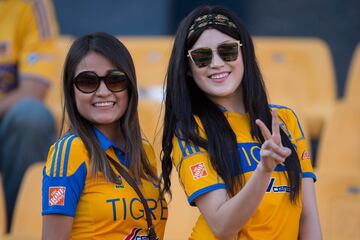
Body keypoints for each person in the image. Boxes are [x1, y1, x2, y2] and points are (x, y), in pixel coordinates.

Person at [161, 5, 322, 240]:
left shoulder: (285, 120)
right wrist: (263, 169)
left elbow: (307, 216)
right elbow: (222, 225)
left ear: (243, 54)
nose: (216, 63)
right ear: (188, 69)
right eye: (202, 57)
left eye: (227, 51)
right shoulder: (191, 130)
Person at [41, 32, 167, 239]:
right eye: (88, 81)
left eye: (115, 80)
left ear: (130, 87)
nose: (103, 91)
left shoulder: (145, 151)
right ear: (72, 92)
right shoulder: (70, 151)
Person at [0, 0, 58, 231]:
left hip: (6, 122)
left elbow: (34, 90)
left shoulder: (31, 4)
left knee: (31, 117)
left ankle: (23, 229)